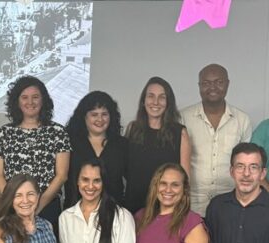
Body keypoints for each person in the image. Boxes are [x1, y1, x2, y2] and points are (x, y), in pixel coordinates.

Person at [0, 75, 71, 227]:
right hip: (13, 209)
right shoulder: (5, 132)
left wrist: (37, 207)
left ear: (44, 100)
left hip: (47, 207)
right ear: (17, 101)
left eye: (35, 97)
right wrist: (13, 205)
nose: (30, 102)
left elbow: (61, 175)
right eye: (24, 97)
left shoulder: (58, 132)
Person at [181, 64, 252, 216]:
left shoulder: (242, 120)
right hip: (192, 204)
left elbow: (246, 165)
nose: (212, 87)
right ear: (199, 86)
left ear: (227, 84)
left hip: (231, 204)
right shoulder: (183, 118)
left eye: (218, 82)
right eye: (206, 83)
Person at [125, 76, 191, 214]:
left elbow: (185, 179)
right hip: (134, 205)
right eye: (151, 96)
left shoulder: (180, 133)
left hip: (167, 208)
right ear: (143, 101)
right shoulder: (132, 129)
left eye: (162, 97)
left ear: (168, 103)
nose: (155, 102)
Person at [65, 91, 127, 208]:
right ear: (84, 116)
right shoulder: (69, 143)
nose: (100, 119)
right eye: (94, 114)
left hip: (114, 212)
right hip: (75, 212)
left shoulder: (122, 145)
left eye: (104, 114)